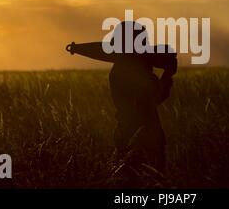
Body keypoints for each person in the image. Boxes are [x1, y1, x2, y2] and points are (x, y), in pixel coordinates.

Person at [66, 21, 177, 172]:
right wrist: (167, 75)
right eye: (143, 41)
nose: (147, 45)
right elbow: (155, 97)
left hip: (128, 134)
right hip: (145, 137)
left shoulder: (121, 70)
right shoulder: (133, 73)